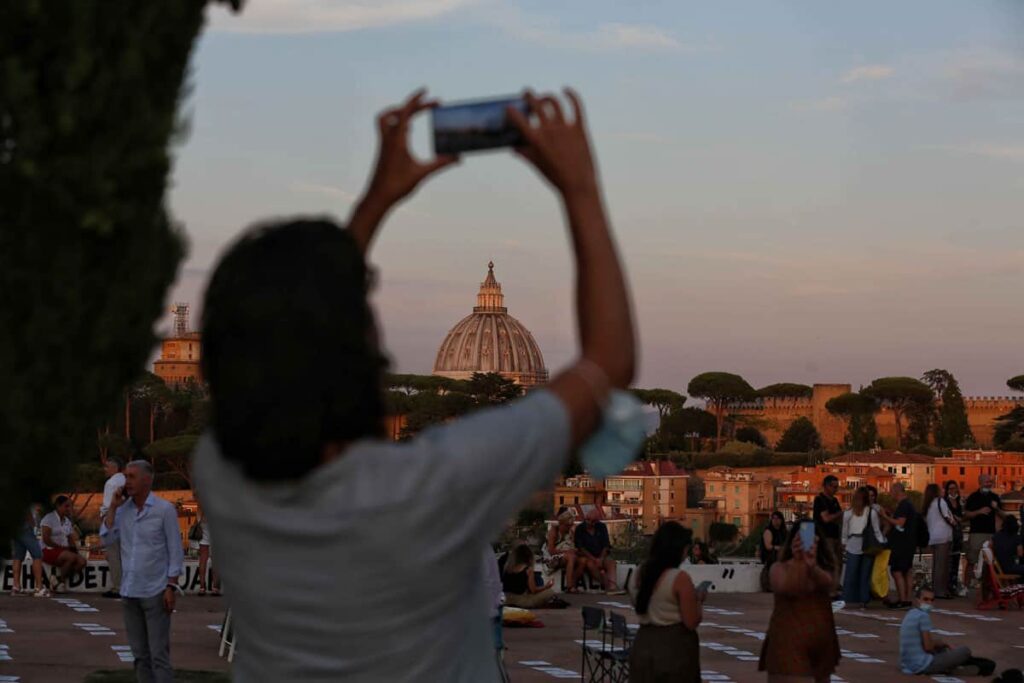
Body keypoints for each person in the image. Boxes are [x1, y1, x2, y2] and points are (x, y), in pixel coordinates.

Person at [192, 87, 637, 681]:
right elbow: (610, 360)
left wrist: (374, 200)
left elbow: (304, 326)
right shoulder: (430, 488)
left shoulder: (220, 474)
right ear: (363, 362)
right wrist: (579, 184)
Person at [102, 460, 185, 683]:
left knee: (159, 655)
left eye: (131, 477)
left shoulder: (164, 510)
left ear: (147, 479)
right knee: (139, 656)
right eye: (125, 476)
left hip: (156, 591)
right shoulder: (124, 510)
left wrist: (171, 586)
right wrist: (113, 507)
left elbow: (175, 551)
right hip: (130, 592)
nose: (126, 481)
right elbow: (107, 537)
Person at [759, 520, 841, 682]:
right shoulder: (779, 567)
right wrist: (798, 562)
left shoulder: (824, 568)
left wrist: (812, 566)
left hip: (819, 642)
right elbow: (786, 587)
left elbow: (830, 584)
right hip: (788, 641)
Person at [627, 522, 703, 683]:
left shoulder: (639, 573)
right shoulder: (679, 578)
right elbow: (691, 622)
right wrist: (699, 601)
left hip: (643, 645)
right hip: (673, 648)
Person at [899, 586, 974, 674]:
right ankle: (951, 667)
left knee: (941, 649)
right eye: (926, 599)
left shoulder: (910, 613)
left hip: (907, 665)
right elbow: (928, 647)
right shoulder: (923, 616)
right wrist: (941, 643)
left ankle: (948, 666)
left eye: (931, 600)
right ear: (918, 599)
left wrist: (940, 644)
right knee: (965, 650)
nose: (929, 603)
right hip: (921, 665)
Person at [841, 487, 883, 608]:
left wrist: (844, 543)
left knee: (853, 573)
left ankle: (852, 600)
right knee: (861, 574)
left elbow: (844, 531)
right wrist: (881, 542)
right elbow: (877, 531)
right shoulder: (868, 512)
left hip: (857, 543)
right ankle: (860, 601)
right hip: (863, 544)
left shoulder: (850, 513)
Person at [964, 474, 1006, 586]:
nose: (989, 484)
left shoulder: (995, 497)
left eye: (990, 482)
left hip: (991, 534)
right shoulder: (973, 497)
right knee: (971, 560)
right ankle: (965, 586)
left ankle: (986, 587)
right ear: (980, 482)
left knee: (990, 562)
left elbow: (1004, 515)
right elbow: (966, 514)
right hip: (976, 533)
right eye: (986, 482)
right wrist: (979, 512)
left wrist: (996, 508)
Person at [40, 495, 86, 593]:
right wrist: (59, 547)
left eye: (70, 506)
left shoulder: (67, 521)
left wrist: (75, 551)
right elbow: (46, 538)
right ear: (58, 506)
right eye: (66, 506)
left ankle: (58, 580)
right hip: (47, 549)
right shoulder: (49, 518)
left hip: (62, 550)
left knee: (82, 562)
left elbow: (70, 538)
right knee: (71, 558)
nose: (69, 509)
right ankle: (61, 583)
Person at [575, 508, 624, 594]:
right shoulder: (580, 528)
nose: (590, 523)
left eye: (593, 521)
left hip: (601, 555)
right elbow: (581, 547)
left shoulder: (601, 527)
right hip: (588, 556)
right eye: (588, 520)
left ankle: (612, 587)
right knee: (590, 565)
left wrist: (601, 558)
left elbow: (606, 545)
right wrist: (594, 559)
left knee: (611, 563)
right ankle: (606, 584)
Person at [500, 542, 562, 608]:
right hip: (521, 601)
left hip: (506, 599)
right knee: (549, 592)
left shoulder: (507, 567)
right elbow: (533, 590)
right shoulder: (528, 569)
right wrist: (547, 586)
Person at [886, 483, 917, 609]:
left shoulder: (904, 505)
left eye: (892, 490)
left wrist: (885, 516)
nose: (890, 493)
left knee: (897, 571)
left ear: (897, 491)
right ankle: (908, 599)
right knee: (907, 571)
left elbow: (900, 522)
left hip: (901, 544)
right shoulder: (909, 504)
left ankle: (903, 599)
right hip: (910, 542)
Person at [923, 483, 955, 599]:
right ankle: (940, 591)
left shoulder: (928, 504)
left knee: (936, 564)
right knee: (942, 565)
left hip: (933, 537)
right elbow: (948, 517)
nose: (942, 490)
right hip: (943, 536)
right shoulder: (940, 502)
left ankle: (936, 588)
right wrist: (955, 523)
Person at [100, 457, 126, 598]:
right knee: (125, 556)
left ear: (115, 468)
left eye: (107, 466)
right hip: (127, 523)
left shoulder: (111, 483)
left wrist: (104, 521)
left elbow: (108, 505)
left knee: (113, 555)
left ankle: (117, 587)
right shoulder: (125, 480)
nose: (104, 469)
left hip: (114, 521)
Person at [812, 475, 843, 595]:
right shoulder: (820, 500)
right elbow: (825, 518)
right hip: (825, 537)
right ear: (825, 486)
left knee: (838, 563)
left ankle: (834, 587)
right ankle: (828, 589)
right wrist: (838, 514)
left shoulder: (834, 501)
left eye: (837, 487)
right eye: (833, 486)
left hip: (835, 537)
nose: (836, 489)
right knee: (829, 562)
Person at [9, 505, 48, 597]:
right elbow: (27, 511)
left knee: (18, 556)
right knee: (37, 554)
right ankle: (39, 588)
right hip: (25, 528)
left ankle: (16, 586)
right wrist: (33, 525)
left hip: (15, 528)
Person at [543, 509, 579, 592]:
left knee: (582, 560)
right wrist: (567, 552)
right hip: (550, 559)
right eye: (567, 525)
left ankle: (573, 583)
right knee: (571, 557)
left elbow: (573, 546)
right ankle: (570, 586)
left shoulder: (570, 532)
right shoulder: (554, 532)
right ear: (561, 524)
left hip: (564, 556)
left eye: (570, 525)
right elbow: (551, 551)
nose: (569, 527)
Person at [943, 481, 965, 597]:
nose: (953, 491)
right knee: (948, 561)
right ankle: (946, 586)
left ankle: (953, 585)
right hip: (949, 534)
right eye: (950, 489)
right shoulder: (945, 502)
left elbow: (962, 516)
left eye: (954, 489)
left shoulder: (959, 502)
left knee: (956, 559)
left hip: (958, 534)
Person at [196, 516, 221, 596]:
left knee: (202, 562)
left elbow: (196, 525)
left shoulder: (200, 514)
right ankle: (215, 589)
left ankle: (202, 588)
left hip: (203, 539)